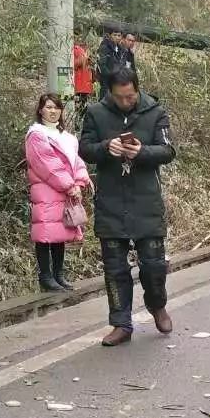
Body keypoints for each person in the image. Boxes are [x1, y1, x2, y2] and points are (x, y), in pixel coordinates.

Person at [80, 67, 177, 346]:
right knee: (115, 268)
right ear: (110, 92)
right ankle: (121, 323)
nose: (126, 101)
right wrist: (105, 147)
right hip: (111, 200)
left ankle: (157, 304)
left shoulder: (154, 111)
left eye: (131, 96)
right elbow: (84, 148)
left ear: (137, 89)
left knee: (154, 265)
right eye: (120, 97)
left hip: (146, 200)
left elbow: (168, 150)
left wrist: (142, 152)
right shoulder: (96, 113)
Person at [25, 92, 92, 292]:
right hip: (47, 189)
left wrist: (79, 183)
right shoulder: (36, 134)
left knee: (59, 232)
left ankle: (58, 274)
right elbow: (47, 164)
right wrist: (69, 185)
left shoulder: (67, 137)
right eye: (48, 107)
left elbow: (77, 162)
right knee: (46, 230)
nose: (53, 111)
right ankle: (46, 276)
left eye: (56, 107)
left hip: (66, 190)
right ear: (40, 110)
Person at [96, 28, 134, 93]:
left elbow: (122, 65)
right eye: (114, 35)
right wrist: (111, 76)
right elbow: (101, 66)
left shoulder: (121, 50)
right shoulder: (105, 47)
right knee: (106, 99)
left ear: (121, 37)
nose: (117, 37)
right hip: (107, 81)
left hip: (117, 82)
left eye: (119, 35)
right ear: (110, 35)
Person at [72, 42, 94, 116]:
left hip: (85, 85)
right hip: (78, 85)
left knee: (83, 108)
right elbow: (71, 65)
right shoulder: (72, 49)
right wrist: (83, 59)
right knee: (77, 108)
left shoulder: (84, 49)